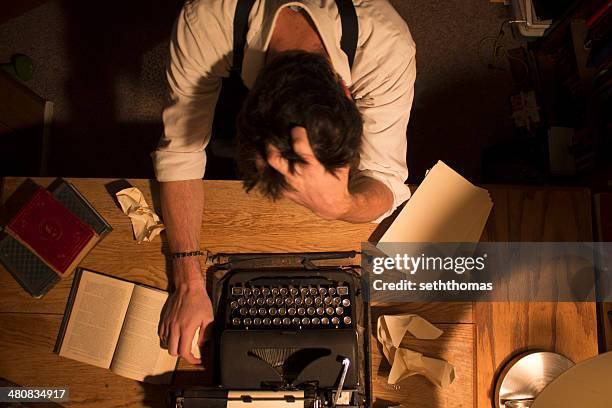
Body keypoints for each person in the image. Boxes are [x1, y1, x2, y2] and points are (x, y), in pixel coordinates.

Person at [153, 0, 416, 364]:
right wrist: (187, 281)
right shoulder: (205, 20)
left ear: (350, 94)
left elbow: (386, 178)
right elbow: (181, 152)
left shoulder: (387, 46)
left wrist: (343, 205)